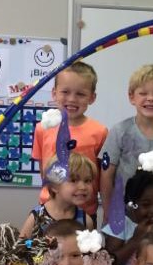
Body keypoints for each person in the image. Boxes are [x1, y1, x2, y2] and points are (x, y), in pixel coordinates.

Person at [100, 64, 153, 220]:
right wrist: (108, 212)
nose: (151, 98)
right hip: (123, 215)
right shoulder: (119, 131)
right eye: (143, 93)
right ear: (132, 97)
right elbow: (107, 175)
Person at [32, 62, 108, 223]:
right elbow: (43, 168)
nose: (72, 99)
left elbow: (102, 176)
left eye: (80, 94)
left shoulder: (99, 131)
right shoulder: (42, 128)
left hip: (85, 210)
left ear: (92, 97)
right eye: (65, 92)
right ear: (54, 93)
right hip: (50, 207)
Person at [19, 152, 97, 238]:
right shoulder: (37, 218)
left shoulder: (86, 221)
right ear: (54, 186)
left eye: (87, 180)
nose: (83, 187)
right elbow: (21, 244)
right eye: (74, 180)